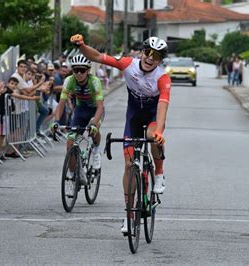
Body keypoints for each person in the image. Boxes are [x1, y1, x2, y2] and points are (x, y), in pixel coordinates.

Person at [70, 34, 170, 233]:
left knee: (152, 137)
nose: (150, 58)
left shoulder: (162, 77)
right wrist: (81, 46)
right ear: (142, 52)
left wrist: (159, 131)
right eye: (148, 53)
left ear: (160, 60)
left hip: (152, 116)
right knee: (128, 165)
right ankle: (129, 215)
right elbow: (98, 57)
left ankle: (159, 172)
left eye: (156, 56)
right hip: (133, 117)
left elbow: (162, 105)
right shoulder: (128, 64)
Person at [50, 54, 105, 188]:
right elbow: (61, 104)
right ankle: (75, 175)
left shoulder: (95, 81)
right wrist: (56, 121)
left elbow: (100, 106)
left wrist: (94, 123)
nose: (79, 73)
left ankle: (96, 151)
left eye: (82, 70)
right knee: (70, 144)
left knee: (94, 127)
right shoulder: (69, 81)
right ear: (72, 71)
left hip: (95, 110)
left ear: (88, 70)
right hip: (80, 111)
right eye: (76, 70)